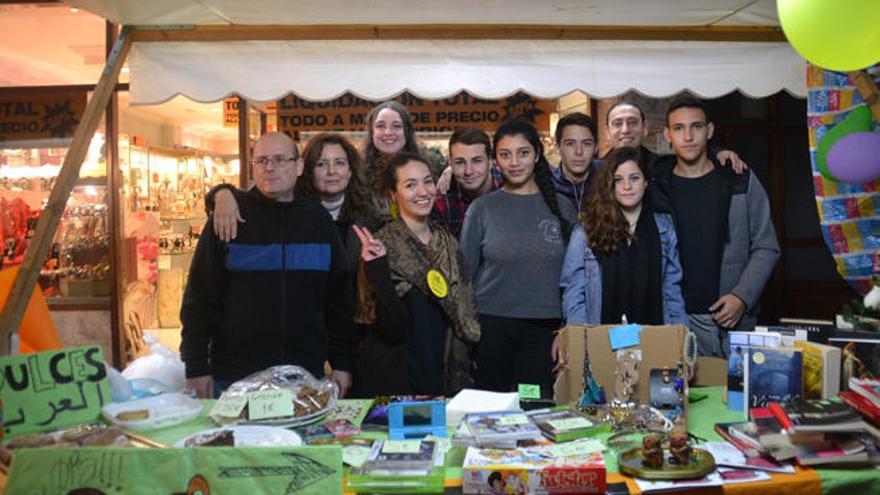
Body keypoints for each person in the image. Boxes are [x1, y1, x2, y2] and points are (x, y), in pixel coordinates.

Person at [179, 132, 357, 398]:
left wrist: (342, 363)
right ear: (252, 168)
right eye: (261, 161)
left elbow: (338, 302)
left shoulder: (318, 221)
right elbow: (200, 298)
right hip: (234, 379)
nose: (270, 167)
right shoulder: (229, 218)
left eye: (280, 160)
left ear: (298, 167)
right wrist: (195, 365)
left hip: (305, 379)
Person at [653, 97, 780, 357]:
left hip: (734, 320)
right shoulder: (655, 185)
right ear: (667, 135)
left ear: (709, 131)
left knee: (737, 396)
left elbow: (766, 246)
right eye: (679, 128)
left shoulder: (738, 178)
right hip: (679, 320)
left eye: (696, 127)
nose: (688, 136)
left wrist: (742, 297)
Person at [460, 118, 577, 396]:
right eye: (505, 154)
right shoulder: (481, 209)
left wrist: (567, 329)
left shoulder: (563, 208)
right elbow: (465, 276)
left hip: (545, 332)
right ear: (495, 160)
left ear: (537, 155)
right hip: (491, 328)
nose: (514, 162)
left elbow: (576, 279)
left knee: (535, 407)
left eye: (522, 153)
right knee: (491, 410)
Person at [352, 152, 480, 396]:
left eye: (428, 181)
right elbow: (391, 329)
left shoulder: (447, 242)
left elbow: (466, 314)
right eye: (410, 185)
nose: (423, 192)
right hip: (395, 376)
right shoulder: (380, 246)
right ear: (393, 194)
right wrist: (377, 268)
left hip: (442, 369)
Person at [560, 146, 688, 327]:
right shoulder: (586, 230)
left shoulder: (664, 228)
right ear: (609, 185)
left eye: (634, 178)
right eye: (618, 180)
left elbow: (672, 290)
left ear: (645, 182)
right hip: (600, 339)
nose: (627, 186)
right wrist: (581, 340)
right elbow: (574, 291)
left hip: (655, 339)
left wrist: (681, 338)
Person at [605, 100, 748, 173]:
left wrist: (716, 153)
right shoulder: (596, 171)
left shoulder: (662, 167)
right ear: (607, 131)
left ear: (645, 128)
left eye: (632, 122)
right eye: (617, 124)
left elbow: (691, 157)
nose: (625, 130)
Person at [431, 127, 502, 238]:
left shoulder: (510, 187)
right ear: (450, 163)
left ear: (490, 161)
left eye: (477, 161)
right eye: (460, 162)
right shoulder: (441, 200)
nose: (468, 171)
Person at [363, 101, 421, 222]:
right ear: (372, 132)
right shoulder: (357, 171)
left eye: (396, 126)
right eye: (380, 126)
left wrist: (450, 171)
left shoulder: (430, 166)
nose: (388, 132)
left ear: (407, 131)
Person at [551, 112, 601, 214]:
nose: (579, 151)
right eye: (570, 144)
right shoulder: (547, 183)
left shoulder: (607, 175)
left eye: (586, 143)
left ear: (596, 148)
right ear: (557, 148)